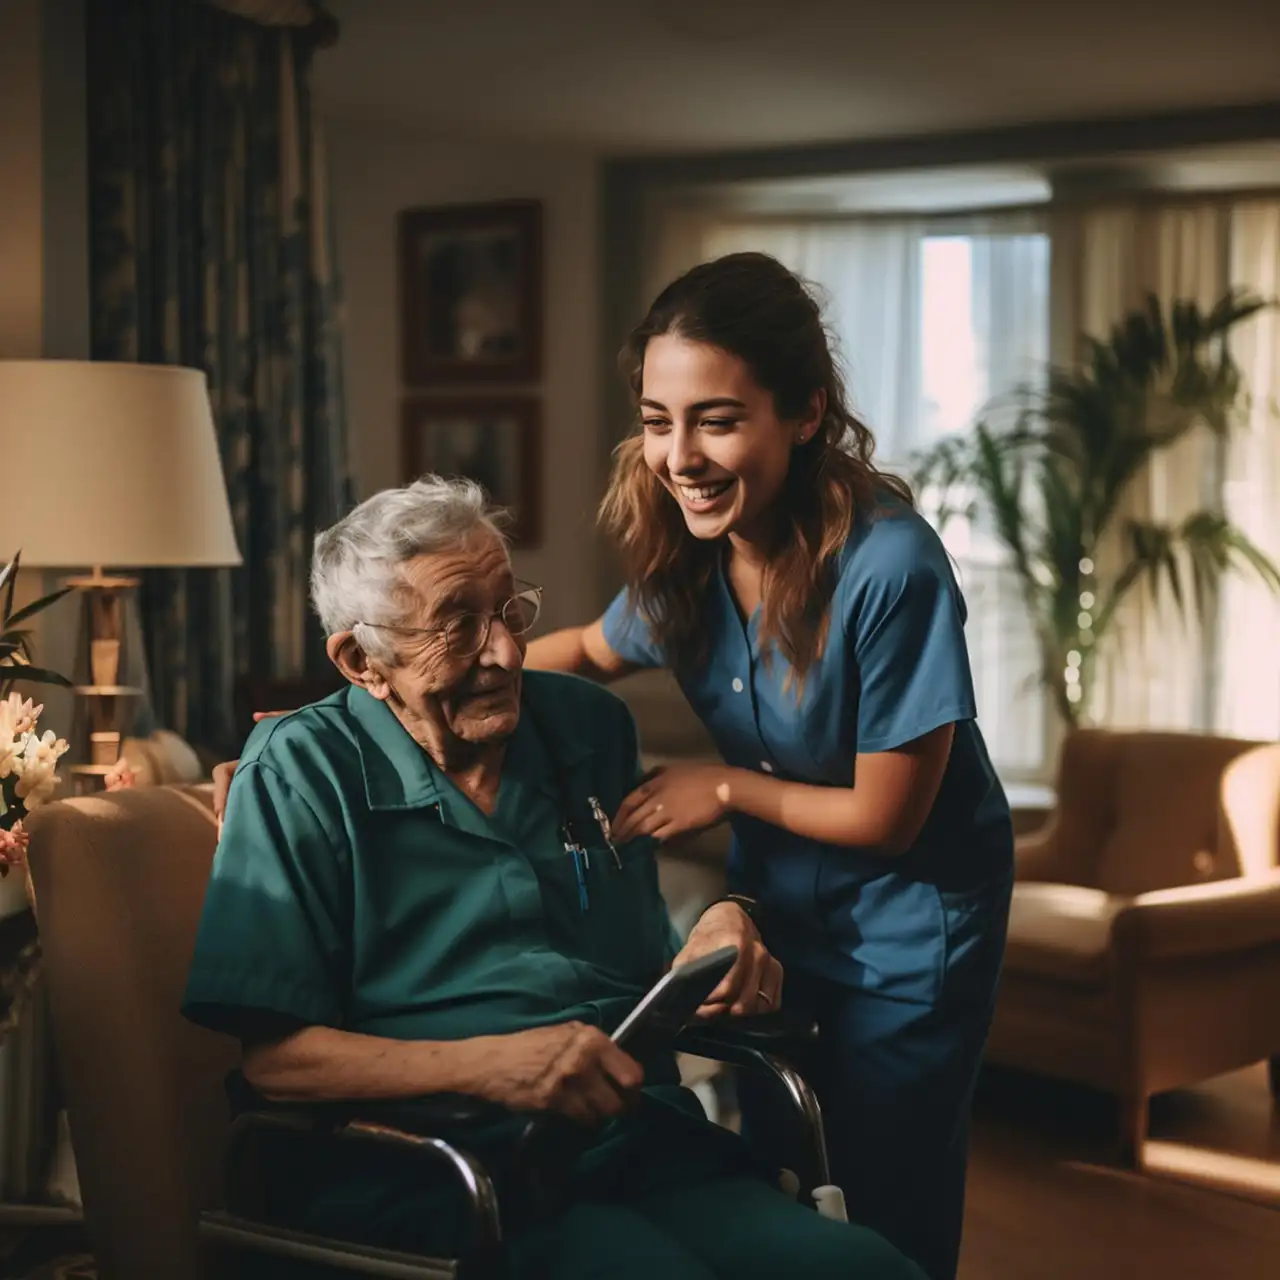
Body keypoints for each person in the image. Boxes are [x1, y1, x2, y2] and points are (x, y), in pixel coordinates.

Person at [184, 476, 923, 1280]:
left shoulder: (586, 727)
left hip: (638, 1146)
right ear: (363, 660)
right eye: (456, 624)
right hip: (435, 1171)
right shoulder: (301, 772)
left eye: (508, 610)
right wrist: (497, 1065)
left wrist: (727, 916)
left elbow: (648, 966)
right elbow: (277, 1062)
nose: (504, 651)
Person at [523, 253, 1015, 1280]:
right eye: (656, 418)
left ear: (802, 413)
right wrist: (397, 685)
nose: (677, 454)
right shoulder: (685, 551)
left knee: (882, 1206)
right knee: (780, 1181)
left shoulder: (891, 567)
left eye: (714, 418)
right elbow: (579, 650)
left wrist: (721, 786)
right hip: (774, 915)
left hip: (905, 936)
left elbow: (888, 815)